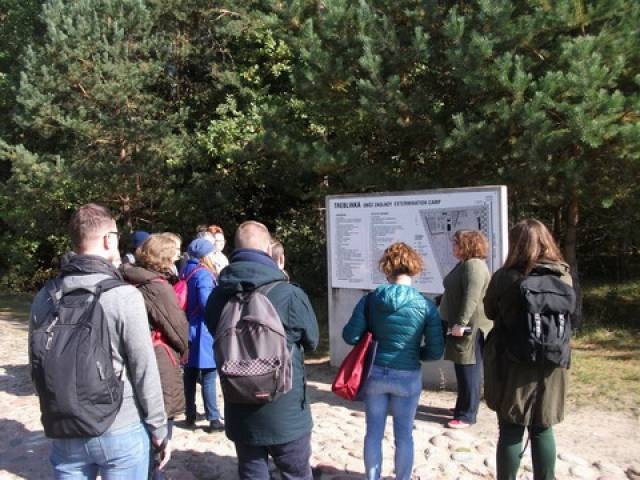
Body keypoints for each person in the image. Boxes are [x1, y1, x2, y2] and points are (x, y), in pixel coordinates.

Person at [29, 203, 169, 478]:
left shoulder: (44, 297)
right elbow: (144, 370)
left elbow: (36, 367)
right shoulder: (123, 296)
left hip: (65, 428)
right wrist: (159, 429)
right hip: (120, 426)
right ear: (109, 239)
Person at [205, 221, 319, 480]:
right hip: (286, 407)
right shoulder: (289, 294)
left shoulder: (218, 296)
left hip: (239, 404)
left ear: (235, 249)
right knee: (296, 473)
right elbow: (312, 341)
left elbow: (215, 331)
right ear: (269, 250)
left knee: (252, 473)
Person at [342, 242, 444, 480]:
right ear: (414, 268)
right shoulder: (426, 305)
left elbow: (350, 336)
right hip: (408, 375)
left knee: (373, 434)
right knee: (404, 435)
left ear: (387, 268)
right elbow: (435, 351)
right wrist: (415, 354)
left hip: (375, 372)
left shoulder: (370, 300)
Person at [483, 219, 573, 480]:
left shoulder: (505, 277)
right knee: (543, 427)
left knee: (511, 427)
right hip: (552, 362)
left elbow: (490, 311)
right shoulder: (563, 275)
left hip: (512, 360)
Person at [120, 233, 189, 478]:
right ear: (164, 258)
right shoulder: (157, 286)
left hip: (131, 355)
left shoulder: (126, 276)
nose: (177, 258)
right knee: (160, 423)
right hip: (159, 356)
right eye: (174, 254)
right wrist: (184, 351)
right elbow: (177, 328)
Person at [440, 229, 492, 429]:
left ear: (468, 245)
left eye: (456, 243)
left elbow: (472, 297)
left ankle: (467, 415)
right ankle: (462, 407)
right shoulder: (464, 264)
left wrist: (461, 323)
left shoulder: (474, 266)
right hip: (459, 325)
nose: (453, 247)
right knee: (461, 367)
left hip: (470, 327)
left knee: (469, 368)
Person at [181, 238, 224, 432]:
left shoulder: (186, 270)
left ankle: (189, 414)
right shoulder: (204, 274)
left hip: (187, 327)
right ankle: (213, 419)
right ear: (205, 255)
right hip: (203, 330)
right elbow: (207, 304)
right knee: (208, 374)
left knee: (189, 375)